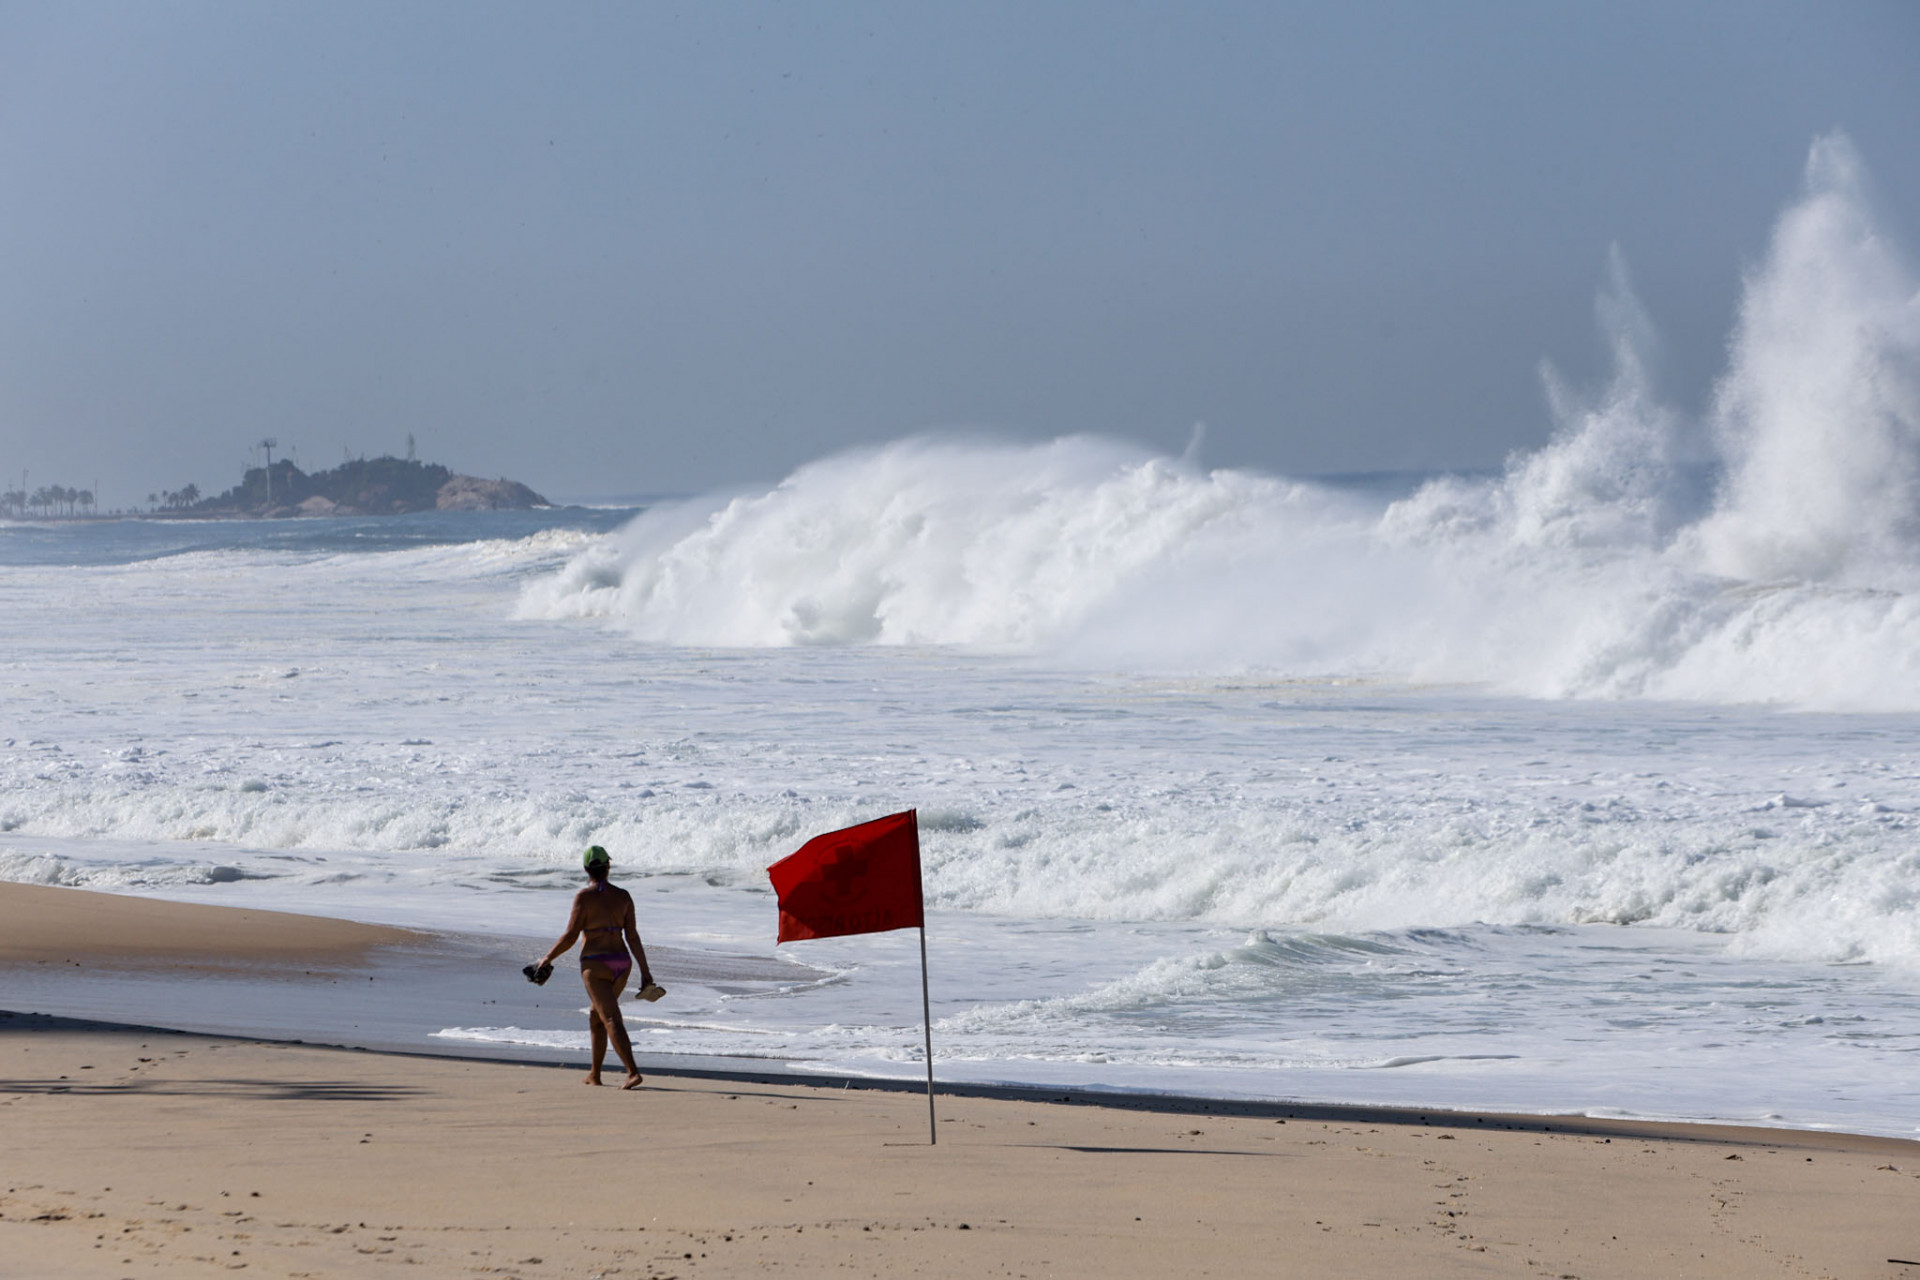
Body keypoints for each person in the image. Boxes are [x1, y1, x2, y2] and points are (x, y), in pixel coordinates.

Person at [533, 845, 657, 1089]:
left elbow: (570, 936)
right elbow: (632, 937)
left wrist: (546, 959)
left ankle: (632, 1072)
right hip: (622, 963)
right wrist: (645, 971)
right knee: (596, 1015)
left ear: (586, 869)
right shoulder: (624, 896)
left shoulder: (584, 897)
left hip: (596, 964)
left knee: (610, 1017)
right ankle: (595, 1073)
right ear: (608, 867)